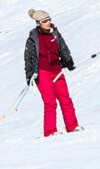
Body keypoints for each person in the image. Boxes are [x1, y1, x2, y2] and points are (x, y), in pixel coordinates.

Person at [24, 9, 79, 137]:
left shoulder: (55, 33)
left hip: (57, 71)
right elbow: (28, 58)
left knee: (66, 99)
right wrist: (29, 75)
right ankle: (50, 131)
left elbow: (63, 48)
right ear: (38, 23)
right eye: (44, 21)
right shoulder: (33, 38)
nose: (48, 23)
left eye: (49, 20)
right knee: (50, 102)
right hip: (42, 73)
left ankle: (72, 126)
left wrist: (68, 61)